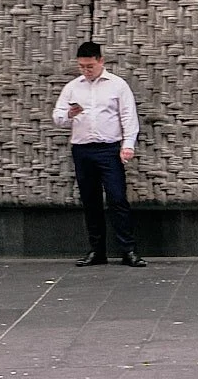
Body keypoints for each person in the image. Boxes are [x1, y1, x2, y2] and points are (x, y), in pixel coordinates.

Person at [52, 42, 146, 268]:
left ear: (101, 61)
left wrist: (128, 145)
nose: (86, 70)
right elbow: (57, 117)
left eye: (90, 66)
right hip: (83, 149)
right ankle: (97, 250)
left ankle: (128, 250)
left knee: (117, 198)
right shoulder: (73, 87)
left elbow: (128, 117)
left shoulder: (117, 85)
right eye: (82, 66)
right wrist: (68, 114)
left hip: (109, 149)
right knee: (90, 201)